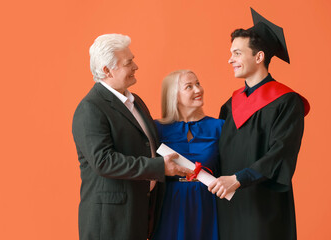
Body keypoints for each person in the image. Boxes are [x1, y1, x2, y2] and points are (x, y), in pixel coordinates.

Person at [72, 34, 193, 240]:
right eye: (129, 63)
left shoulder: (135, 101)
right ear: (107, 70)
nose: (136, 66)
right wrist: (158, 167)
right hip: (110, 222)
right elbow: (103, 162)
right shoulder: (90, 108)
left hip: (137, 214)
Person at [208, 8, 310, 240]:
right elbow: (217, 149)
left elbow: (281, 153)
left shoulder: (286, 101)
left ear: (259, 57)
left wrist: (239, 179)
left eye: (237, 53)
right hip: (229, 204)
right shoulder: (230, 104)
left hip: (264, 205)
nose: (230, 59)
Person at [151, 70, 223, 240]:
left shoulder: (220, 127)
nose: (198, 90)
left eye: (198, 83)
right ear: (174, 96)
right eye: (189, 86)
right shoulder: (157, 129)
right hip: (169, 204)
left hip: (208, 203)